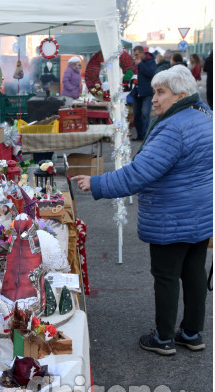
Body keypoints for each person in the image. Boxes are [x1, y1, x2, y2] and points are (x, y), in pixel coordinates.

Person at [72, 65, 213, 356]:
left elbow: (139, 174)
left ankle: (163, 338)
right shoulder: (206, 117)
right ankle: (191, 332)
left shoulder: (174, 128)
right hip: (200, 213)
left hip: (171, 216)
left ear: (181, 95)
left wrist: (97, 183)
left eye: (161, 92)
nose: (154, 99)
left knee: (166, 275)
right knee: (194, 272)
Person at [130, 45, 156, 141]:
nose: (135, 56)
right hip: (136, 91)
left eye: (137, 54)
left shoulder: (150, 61)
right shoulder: (134, 63)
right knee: (137, 115)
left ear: (142, 53)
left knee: (145, 114)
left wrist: (140, 64)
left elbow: (151, 73)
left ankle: (146, 136)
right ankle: (140, 135)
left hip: (146, 92)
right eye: (134, 54)